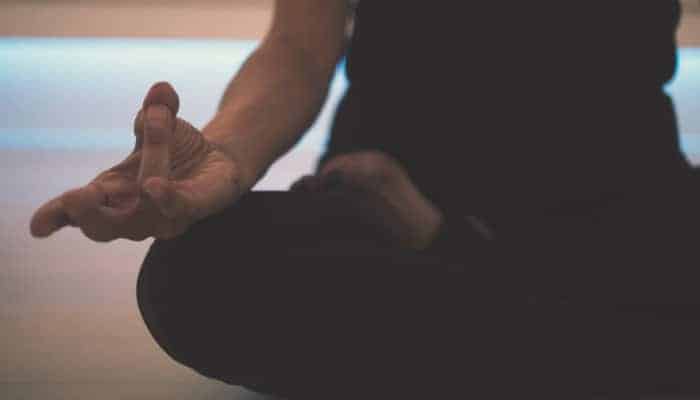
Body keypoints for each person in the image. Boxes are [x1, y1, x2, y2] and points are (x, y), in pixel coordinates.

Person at [30, 1, 700, 398]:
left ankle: (459, 281)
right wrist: (224, 157)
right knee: (194, 277)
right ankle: (551, 337)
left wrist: (445, 244)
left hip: (613, 208)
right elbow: (297, 47)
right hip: (378, 202)